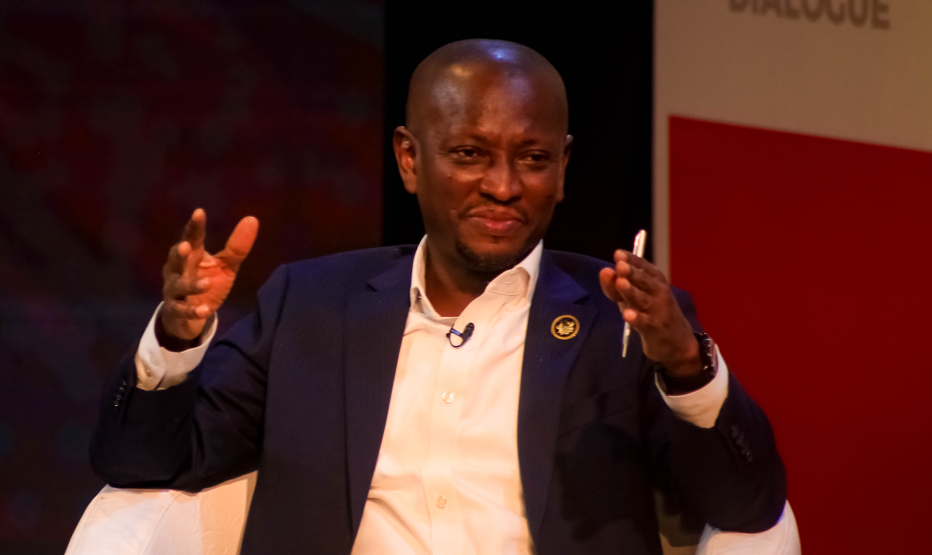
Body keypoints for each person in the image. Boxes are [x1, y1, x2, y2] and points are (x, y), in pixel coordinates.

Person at [91, 39, 786, 555]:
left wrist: (687, 367)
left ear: (563, 167)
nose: (504, 186)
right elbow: (144, 464)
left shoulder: (624, 323)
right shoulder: (311, 304)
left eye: (533, 158)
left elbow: (748, 509)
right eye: (470, 154)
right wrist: (176, 338)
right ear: (409, 158)